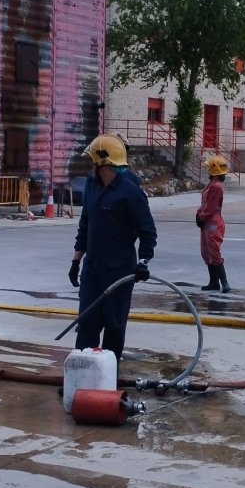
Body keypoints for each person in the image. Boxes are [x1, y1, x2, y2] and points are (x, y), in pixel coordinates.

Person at [69, 134, 158, 359]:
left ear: (102, 161)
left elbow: (148, 232)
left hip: (119, 271)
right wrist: (76, 260)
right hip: (93, 270)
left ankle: (109, 378)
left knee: (114, 328)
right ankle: (83, 378)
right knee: (87, 326)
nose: (92, 164)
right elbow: (85, 224)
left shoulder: (131, 192)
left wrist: (143, 262)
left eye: (93, 160)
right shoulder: (91, 185)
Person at [197, 154, 231, 292]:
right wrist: (198, 213)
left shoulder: (216, 186)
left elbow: (210, 206)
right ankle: (213, 282)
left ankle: (224, 283)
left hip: (213, 222)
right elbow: (204, 204)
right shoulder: (212, 184)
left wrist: (201, 216)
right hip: (207, 221)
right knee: (206, 253)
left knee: (214, 253)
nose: (207, 170)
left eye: (209, 168)